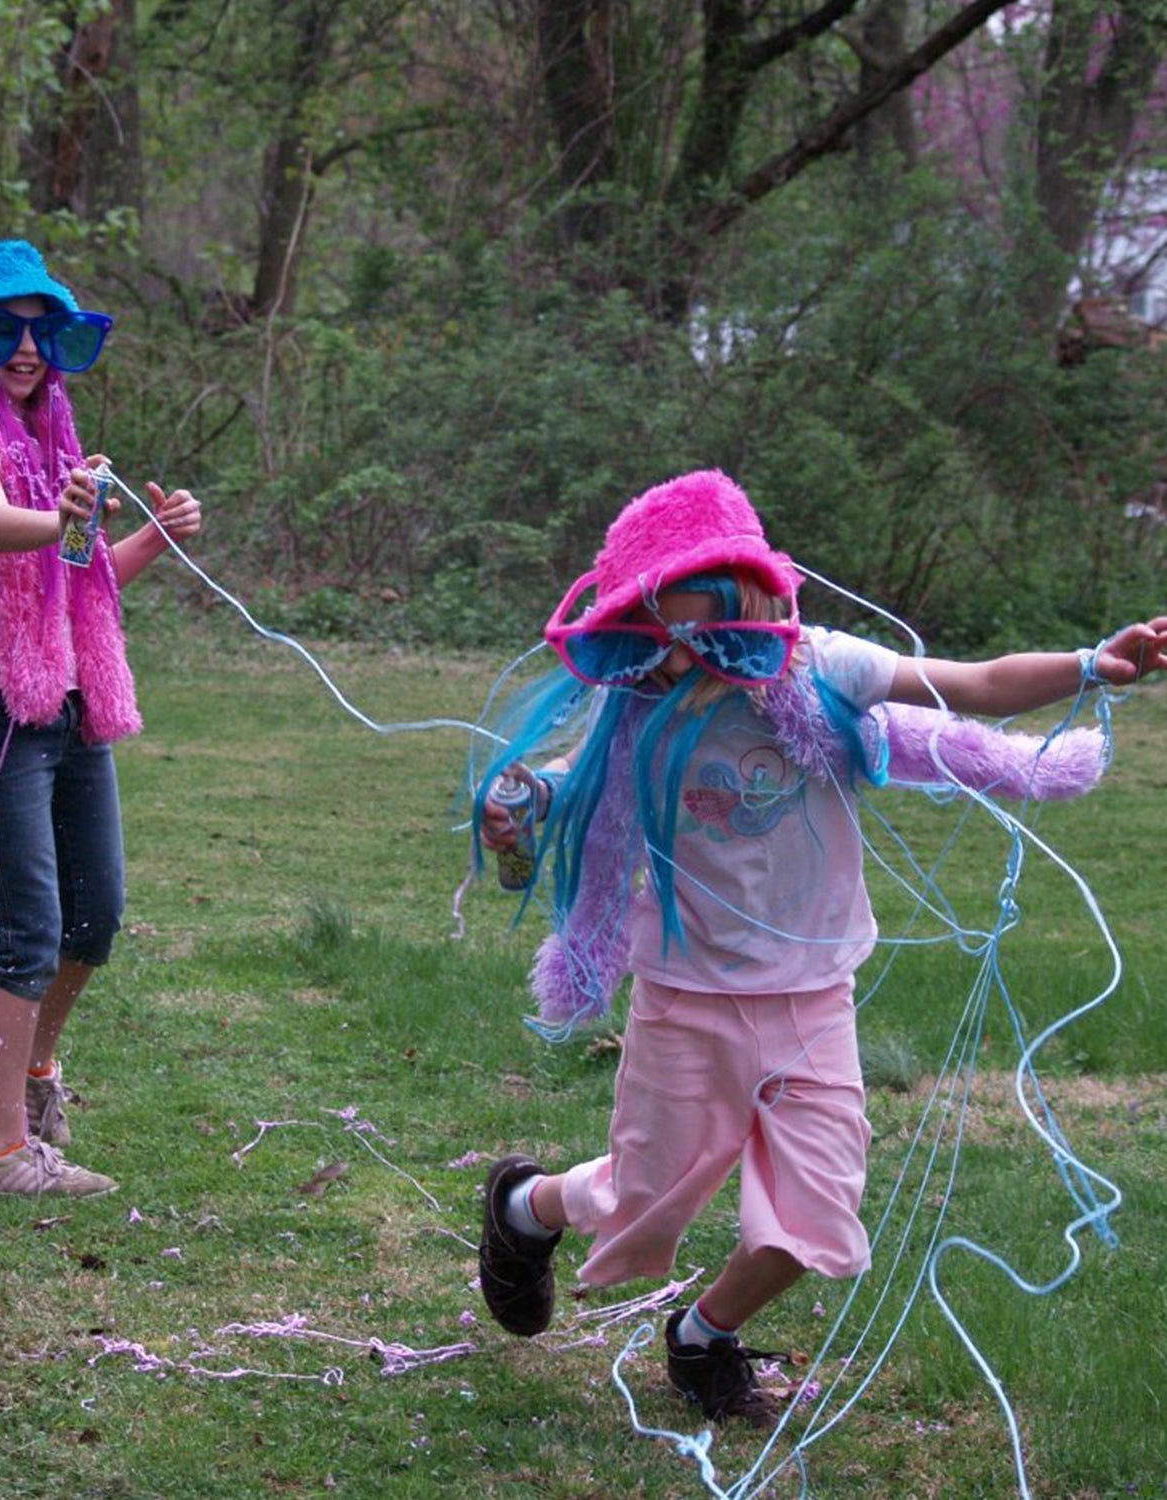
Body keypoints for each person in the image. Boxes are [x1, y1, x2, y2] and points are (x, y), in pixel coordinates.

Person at [472, 469, 1166, 1426]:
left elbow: (975, 685)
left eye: (702, 631)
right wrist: (526, 805)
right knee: (642, 1193)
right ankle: (524, 1210)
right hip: (686, 999)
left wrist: (1090, 664)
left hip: (811, 1000)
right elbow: (580, 778)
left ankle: (702, 1337)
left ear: (751, 599)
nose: (683, 659)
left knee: (814, 1222)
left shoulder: (825, 667)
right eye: (660, 636)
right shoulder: (639, 701)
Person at [0, 238, 203, 1197]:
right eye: (2, 331)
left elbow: (84, 576)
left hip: (74, 701)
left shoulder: (56, 451)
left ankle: (38, 1069)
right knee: (30, 927)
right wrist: (71, 514)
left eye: (42, 332)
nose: (26, 349)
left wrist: (149, 535)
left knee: (97, 916)